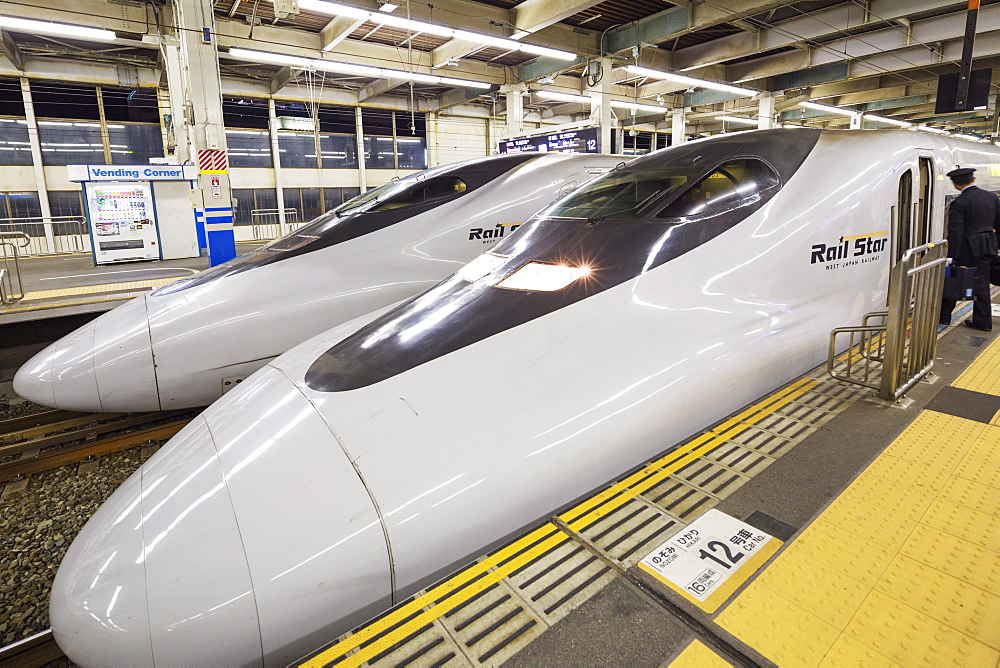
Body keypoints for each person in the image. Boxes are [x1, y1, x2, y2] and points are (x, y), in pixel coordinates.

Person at [940, 167, 1000, 330]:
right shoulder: (991, 197)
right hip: (988, 246)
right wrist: (997, 246)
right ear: (973, 180)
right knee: (982, 284)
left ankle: (945, 317)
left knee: (954, 278)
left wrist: (953, 256)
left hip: (968, 249)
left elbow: (956, 232)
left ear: (955, 184)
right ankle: (981, 320)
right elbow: (998, 224)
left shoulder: (960, 203)